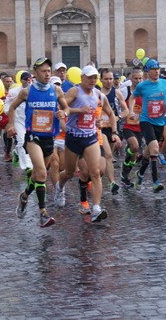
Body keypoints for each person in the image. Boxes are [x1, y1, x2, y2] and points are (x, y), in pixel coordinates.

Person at [8, 57, 69, 227]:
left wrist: (63, 113)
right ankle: (43, 213)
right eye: (43, 71)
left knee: (37, 176)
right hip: (33, 137)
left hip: (49, 137)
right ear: (35, 73)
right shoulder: (27, 91)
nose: (47, 74)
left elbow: (66, 108)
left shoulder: (56, 90)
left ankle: (25, 196)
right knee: (42, 174)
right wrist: (11, 124)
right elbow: (12, 107)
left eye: (49, 70)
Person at [56, 65, 120, 222]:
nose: (92, 80)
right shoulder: (74, 91)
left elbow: (111, 114)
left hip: (90, 137)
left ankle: (96, 208)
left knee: (96, 172)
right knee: (69, 172)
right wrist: (77, 111)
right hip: (73, 137)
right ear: (82, 78)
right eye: (89, 77)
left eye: (94, 78)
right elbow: (63, 107)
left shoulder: (99, 95)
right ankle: (59, 186)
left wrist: (114, 131)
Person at [130, 59, 166, 192]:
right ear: (148, 72)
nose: (156, 71)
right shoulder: (142, 86)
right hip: (146, 121)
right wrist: (131, 111)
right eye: (153, 69)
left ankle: (139, 174)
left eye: (158, 69)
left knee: (148, 152)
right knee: (155, 149)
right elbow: (132, 98)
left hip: (160, 121)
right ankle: (155, 181)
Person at [99, 69, 128, 194]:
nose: (109, 81)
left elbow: (126, 110)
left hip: (112, 128)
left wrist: (118, 117)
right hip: (99, 129)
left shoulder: (117, 93)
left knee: (107, 158)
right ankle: (112, 183)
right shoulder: (97, 93)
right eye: (106, 79)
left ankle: (94, 178)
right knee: (109, 155)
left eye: (111, 78)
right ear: (101, 80)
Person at [120, 68, 144, 188]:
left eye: (140, 78)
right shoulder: (125, 91)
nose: (138, 80)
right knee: (134, 147)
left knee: (134, 156)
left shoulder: (145, 91)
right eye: (136, 78)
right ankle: (124, 167)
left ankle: (125, 176)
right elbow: (118, 102)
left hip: (140, 127)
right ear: (131, 79)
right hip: (127, 126)